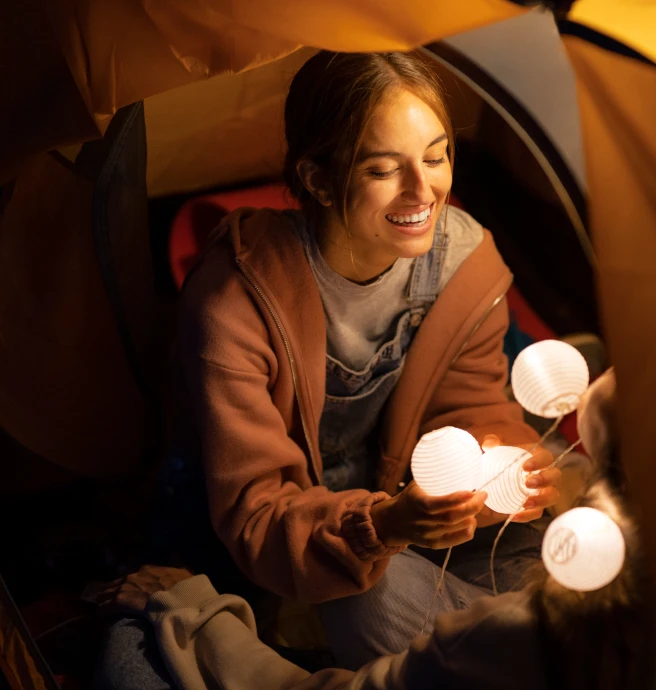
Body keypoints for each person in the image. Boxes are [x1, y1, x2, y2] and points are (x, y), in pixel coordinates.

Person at [97, 49, 568, 687]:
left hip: (398, 497)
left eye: (436, 157)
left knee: (564, 576)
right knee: (137, 650)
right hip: (270, 525)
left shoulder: (462, 261)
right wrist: (380, 526)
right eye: (383, 169)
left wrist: (510, 471)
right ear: (317, 179)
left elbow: (472, 411)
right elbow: (256, 507)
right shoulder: (235, 300)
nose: (423, 191)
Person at [99, 370, 656, 690]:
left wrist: (197, 612)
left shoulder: (529, 634)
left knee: (131, 648)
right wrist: (564, 488)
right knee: (358, 584)